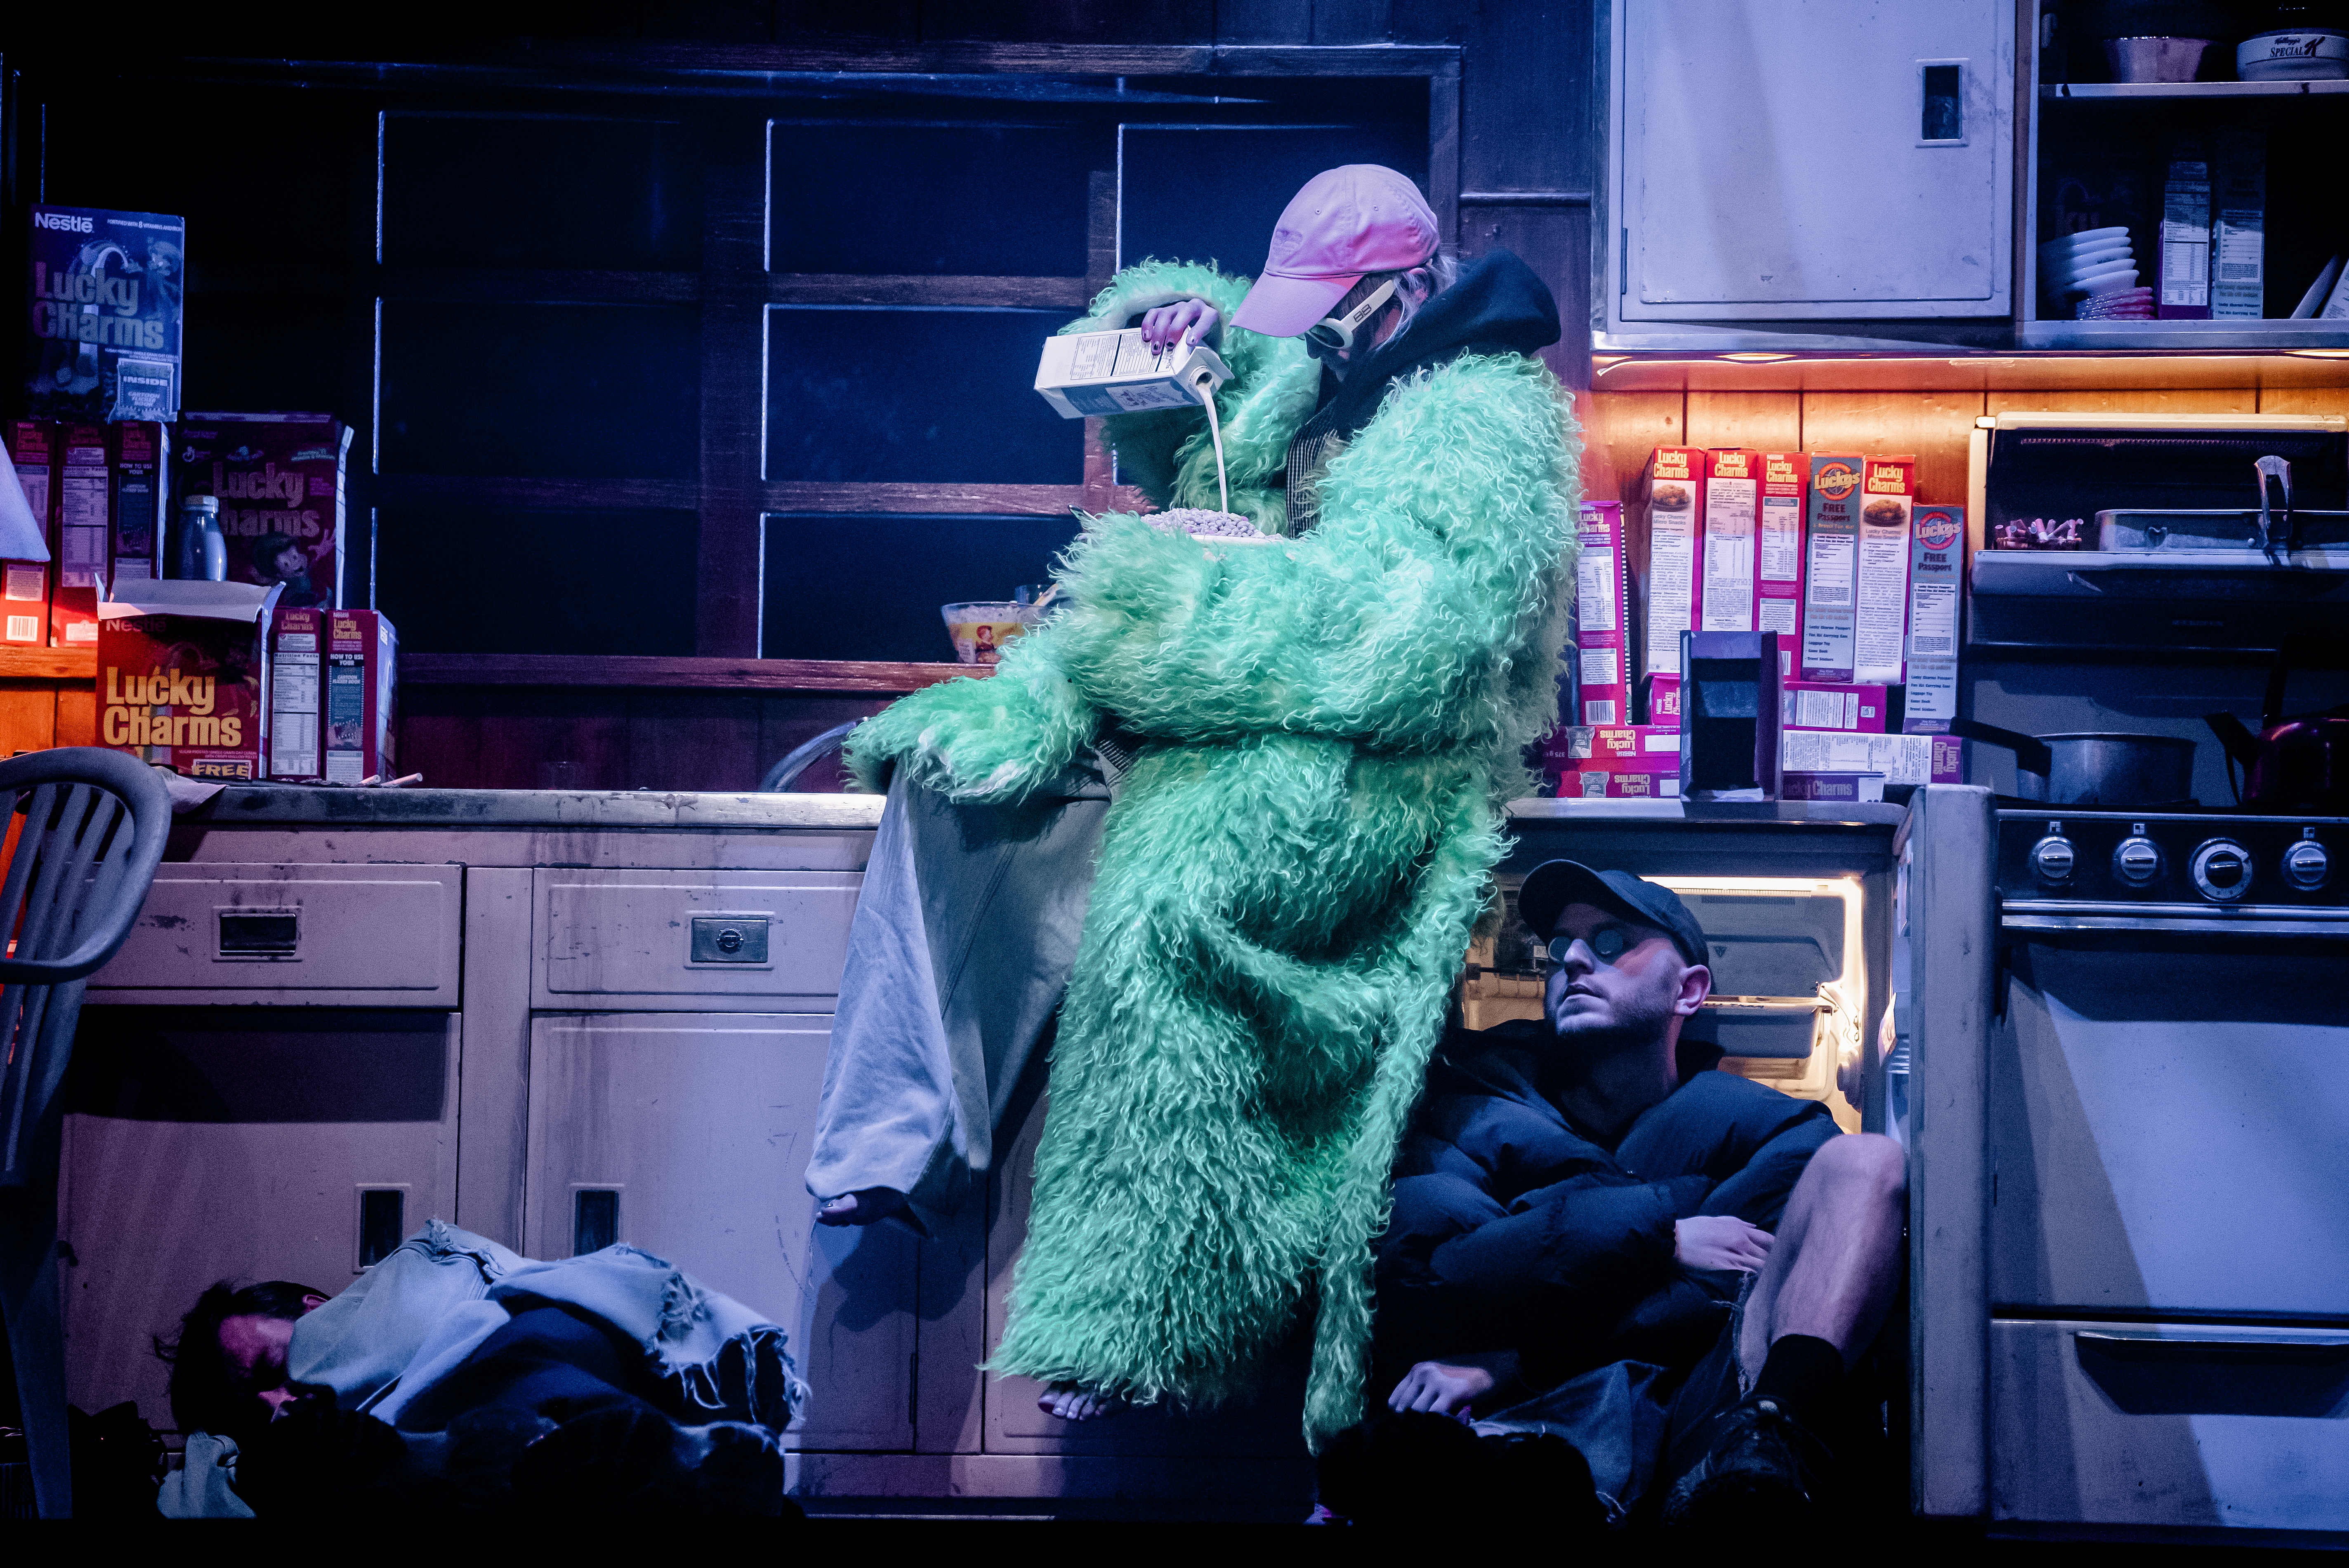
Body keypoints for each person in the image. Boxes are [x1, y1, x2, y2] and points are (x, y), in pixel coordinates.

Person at [810, 163, 1575, 1443]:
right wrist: (1177, 335)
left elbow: (1418, 643)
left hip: (1380, 762)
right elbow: (1207, 464)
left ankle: (1147, 1314)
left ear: (1399, 289)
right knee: (958, 774)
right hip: (1245, 709)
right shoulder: (1329, 367)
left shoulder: (1481, 417)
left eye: (1323, 305)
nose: (1306, 329)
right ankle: (890, 1148)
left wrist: (1165, 604)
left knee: (1174, 904)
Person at [1365, 859, 1906, 1525]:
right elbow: (1441, 1272)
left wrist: (1516, 1353)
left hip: (1707, 1427)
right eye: (1559, 947)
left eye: (1611, 942)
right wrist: (1665, 1238)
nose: (1573, 961)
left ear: (1689, 990)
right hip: (1522, 1430)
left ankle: (1771, 1433)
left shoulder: (1769, 1129)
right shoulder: (1472, 1105)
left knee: (1864, 1160)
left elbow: (1750, 1293)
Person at [152, 1220, 804, 1518]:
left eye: (273, 1365)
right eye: (252, 1410)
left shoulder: (412, 1278)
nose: (276, 1402)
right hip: (444, 1426)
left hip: (516, 1357)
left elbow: (462, 1288)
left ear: (316, 1307)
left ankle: (496, 1454)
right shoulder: (304, 1444)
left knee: (525, 1337)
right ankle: (684, 1467)